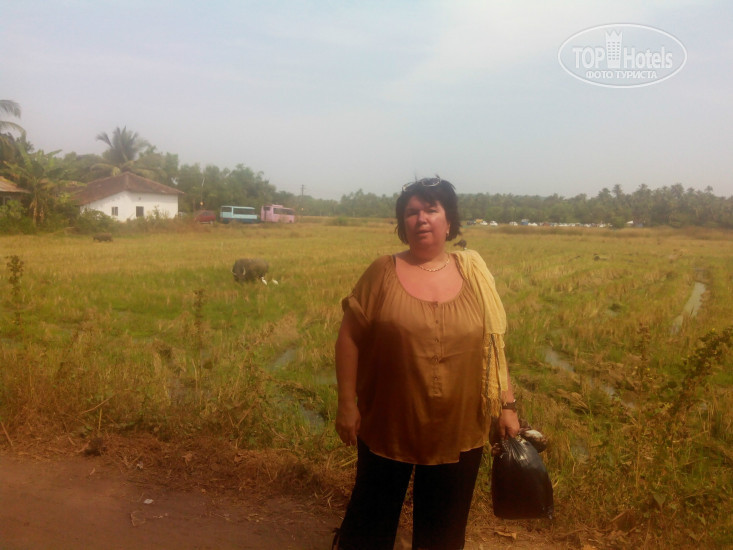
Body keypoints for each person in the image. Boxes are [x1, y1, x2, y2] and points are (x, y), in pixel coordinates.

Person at [333, 177, 520, 550]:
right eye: (411, 212)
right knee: (370, 520)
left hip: (459, 426)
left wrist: (507, 406)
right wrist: (346, 404)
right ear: (402, 224)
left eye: (431, 210)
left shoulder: (473, 274)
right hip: (388, 423)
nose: (421, 219)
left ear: (449, 221)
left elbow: (492, 347)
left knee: (444, 531)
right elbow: (348, 338)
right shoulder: (382, 271)